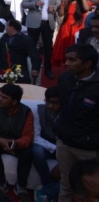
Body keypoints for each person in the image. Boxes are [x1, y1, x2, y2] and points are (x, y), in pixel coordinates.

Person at [55, 44, 99, 201]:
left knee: (92, 191)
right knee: (65, 186)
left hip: (89, 149)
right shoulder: (65, 78)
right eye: (66, 59)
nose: (66, 63)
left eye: (72, 60)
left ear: (87, 63)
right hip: (65, 143)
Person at [0, 84, 34, 201]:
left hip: (17, 143)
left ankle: (20, 186)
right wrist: (0, 141)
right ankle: (1, 183)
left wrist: (16, 143)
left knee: (28, 151)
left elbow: (28, 136)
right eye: (0, 95)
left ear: (14, 101)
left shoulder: (26, 112)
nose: (0, 99)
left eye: (4, 97)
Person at [21, 0, 62, 79]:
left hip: (48, 22)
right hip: (33, 22)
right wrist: (35, 3)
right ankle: (31, 68)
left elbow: (59, 4)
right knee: (31, 46)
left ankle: (48, 70)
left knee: (48, 48)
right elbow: (24, 4)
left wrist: (54, 8)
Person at [31, 86, 62, 198]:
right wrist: (55, 148)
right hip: (45, 146)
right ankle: (48, 184)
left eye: (55, 103)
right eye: (48, 102)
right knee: (36, 150)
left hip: (64, 148)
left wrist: (61, 149)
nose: (50, 106)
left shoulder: (69, 113)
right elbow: (36, 137)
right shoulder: (38, 110)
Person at [0, 19, 41, 84]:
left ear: (12, 28)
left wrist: (35, 69)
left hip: (18, 67)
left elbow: (35, 55)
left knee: (23, 80)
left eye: (7, 26)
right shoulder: (5, 36)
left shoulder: (25, 39)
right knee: (1, 79)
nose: (6, 28)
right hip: (3, 66)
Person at [52, 0, 90, 68]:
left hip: (78, 28)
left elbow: (86, 8)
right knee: (66, 49)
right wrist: (62, 5)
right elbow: (60, 14)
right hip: (66, 28)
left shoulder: (84, 3)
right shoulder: (68, 2)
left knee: (76, 50)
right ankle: (67, 69)